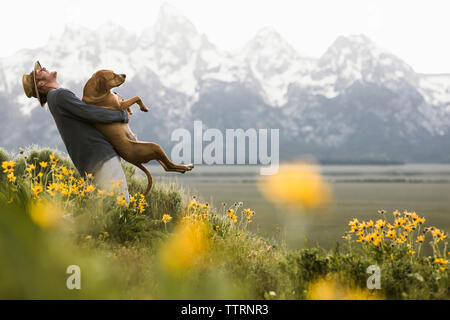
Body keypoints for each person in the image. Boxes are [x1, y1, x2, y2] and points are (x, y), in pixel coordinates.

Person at [22, 61, 130, 203]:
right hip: (100, 157)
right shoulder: (58, 95)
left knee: (108, 212)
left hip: (91, 162)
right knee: (121, 205)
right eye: (39, 72)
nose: (43, 67)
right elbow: (90, 113)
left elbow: (86, 113)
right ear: (41, 84)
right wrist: (121, 114)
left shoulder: (55, 100)